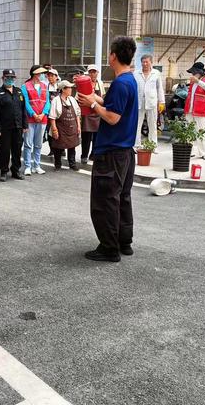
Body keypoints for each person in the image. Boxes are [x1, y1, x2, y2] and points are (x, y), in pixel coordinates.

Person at [77, 36, 138, 262]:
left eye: (109, 53)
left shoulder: (121, 83)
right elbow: (113, 106)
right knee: (122, 198)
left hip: (111, 152)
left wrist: (92, 104)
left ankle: (109, 248)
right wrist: (96, 98)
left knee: (105, 201)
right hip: (125, 152)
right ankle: (124, 242)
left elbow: (112, 117)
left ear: (113, 56)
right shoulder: (129, 80)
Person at [0, 69, 28, 181]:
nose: (10, 80)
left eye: (12, 78)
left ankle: (16, 170)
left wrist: (25, 125)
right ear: (3, 79)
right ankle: (3, 171)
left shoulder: (19, 92)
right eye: (7, 78)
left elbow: (23, 110)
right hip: (4, 128)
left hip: (18, 127)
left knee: (17, 150)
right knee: (4, 150)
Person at [21, 65, 50, 176]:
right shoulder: (25, 86)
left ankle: (36, 165)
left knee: (38, 144)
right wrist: (33, 114)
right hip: (30, 119)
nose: (41, 76)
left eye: (41, 74)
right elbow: (26, 103)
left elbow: (47, 102)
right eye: (39, 74)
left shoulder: (44, 86)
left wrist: (43, 114)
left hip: (42, 119)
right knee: (28, 144)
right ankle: (28, 166)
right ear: (34, 74)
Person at [133, 55, 165, 149]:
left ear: (151, 62)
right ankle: (136, 145)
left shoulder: (156, 73)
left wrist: (162, 101)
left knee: (152, 124)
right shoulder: (136, 73)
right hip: (139, 102)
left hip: (152, 102)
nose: (145, 64)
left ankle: (153, 145)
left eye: (147, 62)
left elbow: (160, 88)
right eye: (143, 62)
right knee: (137, 124)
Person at [49, 80, 81, 171]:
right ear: (63, 89)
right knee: (58, 147)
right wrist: (54, 130)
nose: (71, 89)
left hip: (72, 127)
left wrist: (78, 126)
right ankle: (58, 165)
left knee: (72, 146)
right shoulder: (56, 100)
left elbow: (77, 114)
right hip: (60, 128)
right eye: (69, 88)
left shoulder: (72, 100)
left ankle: (72, 164)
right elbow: (52, 117)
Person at [184, 62, 205, 160]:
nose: (192, 74)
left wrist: (198, 81)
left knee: (201, 131)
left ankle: (203, 153)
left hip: (200, 110)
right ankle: (189, 150)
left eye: (193, 72)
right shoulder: (192, 81)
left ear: (199, 72)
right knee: (189, 130)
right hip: (190, 109)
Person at [80, 64, 106, 164]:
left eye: (94, 72)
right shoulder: (84, 83)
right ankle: (84, 155)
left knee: (97, 135)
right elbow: (79, 96)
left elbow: (102, 96)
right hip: (87, 112)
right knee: (86, 136)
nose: (92, 74)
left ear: (97, 73)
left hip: (97, 111)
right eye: (90, 72)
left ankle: (93, 154)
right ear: (88, 73)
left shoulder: (100, 83)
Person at [45, 68, 60, 157]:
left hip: (58, 112)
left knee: (60, 131)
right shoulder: (46, 87)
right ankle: (52, 149)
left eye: (52, 76)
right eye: (49, 76)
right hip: (49, 112)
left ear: (56, 77)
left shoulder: (60, 87)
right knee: (49, 132)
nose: (50, 78)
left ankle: (61, 150)